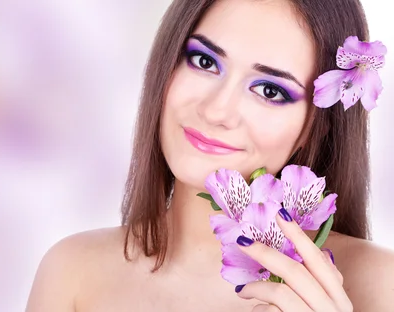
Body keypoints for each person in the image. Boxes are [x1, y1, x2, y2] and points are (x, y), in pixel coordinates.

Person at [26, 0, 394, 311]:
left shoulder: (379, 286)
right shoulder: (73, 273)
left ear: (316, 127)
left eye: (269, 89)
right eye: (204, 62)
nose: (217, 110)